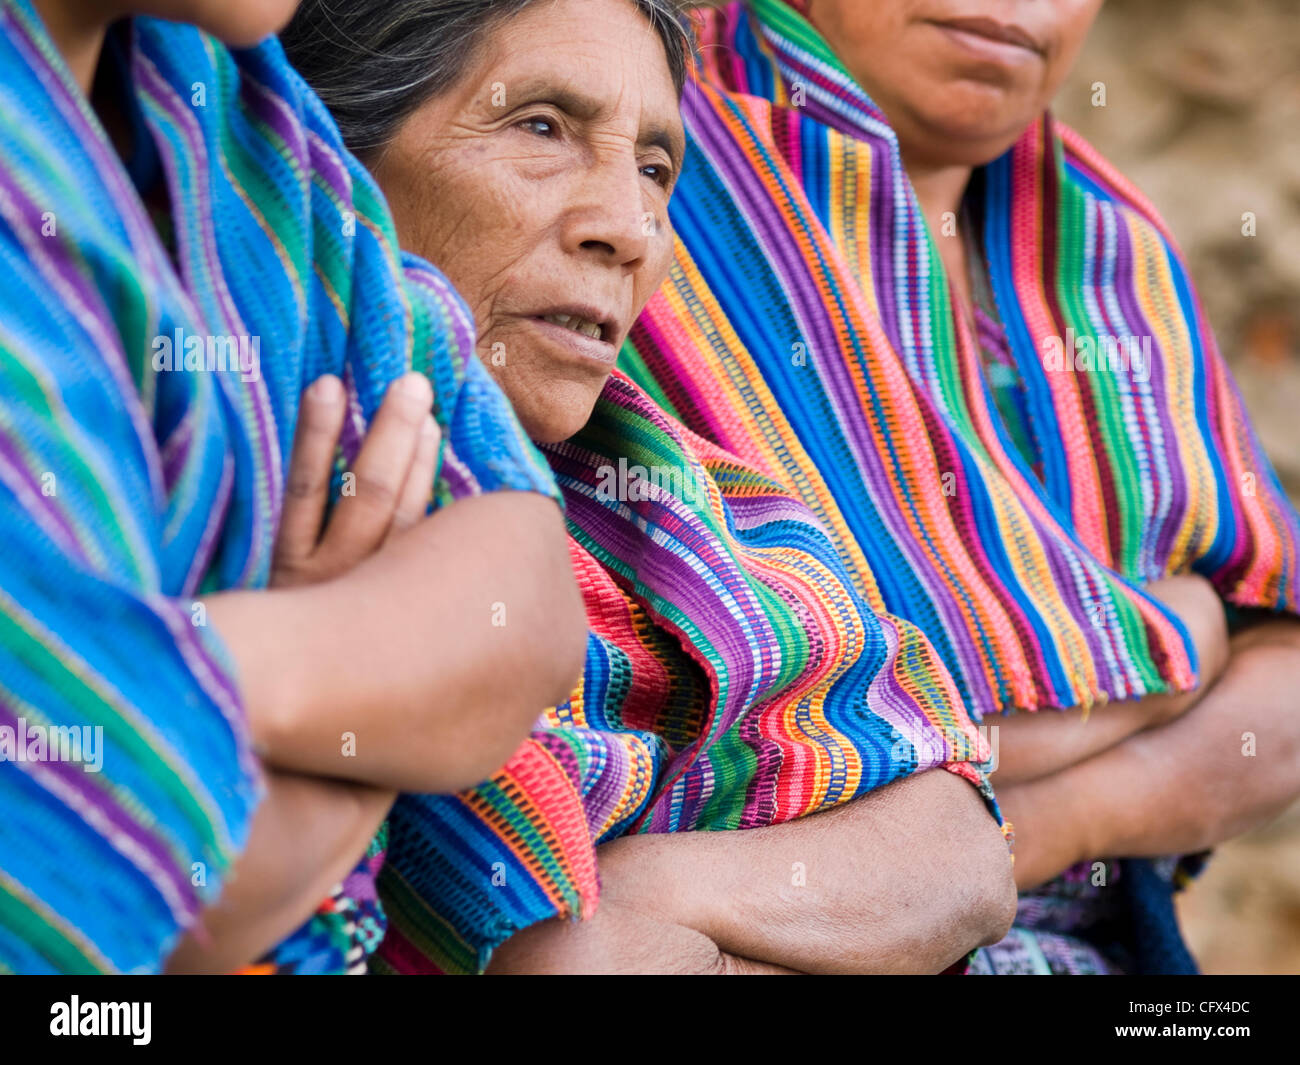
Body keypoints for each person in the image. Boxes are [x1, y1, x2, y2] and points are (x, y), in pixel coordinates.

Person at [282, 0, 1019, 975]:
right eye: (540, 126)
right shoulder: (280, 493)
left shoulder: (674, 493)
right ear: (337, 156)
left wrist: (643, 895)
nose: (628, 230)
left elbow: (962, 855)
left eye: (655, 170)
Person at [615, 0, 1300, 973]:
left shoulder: (1097, 239)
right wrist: (1170, 650)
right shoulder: (652, 158)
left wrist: (1024, 830)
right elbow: (772, 729)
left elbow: (1279, 690)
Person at [0, 0, 586, 974]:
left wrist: (168, 688)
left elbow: (519, 606)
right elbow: (94, 881)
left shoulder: (235, 118)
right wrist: (371, 731)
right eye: (539, 126)